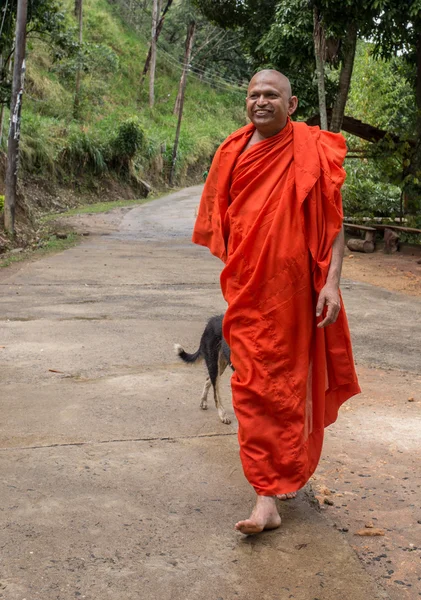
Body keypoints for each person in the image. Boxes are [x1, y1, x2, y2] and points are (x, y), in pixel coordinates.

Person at [192, 69, 360, 535]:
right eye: (253, 94)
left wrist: (332, 284)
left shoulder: (311, 149)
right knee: (250, 386)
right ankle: (269, 490)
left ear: (293, 103)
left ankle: (268, 495)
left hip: (295, 296)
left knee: (285, 387)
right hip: (247, 293)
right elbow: (225, 224)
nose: (261, 101)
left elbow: (335, 225)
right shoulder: (231, 152)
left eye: (272, 95)